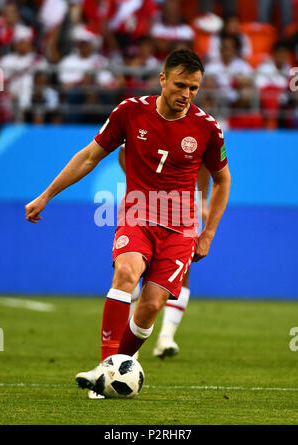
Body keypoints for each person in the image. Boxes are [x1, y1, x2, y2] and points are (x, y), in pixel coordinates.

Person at [25, 48, 231, 399]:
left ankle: (115, 370)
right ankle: (107, 366)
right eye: (180, 85)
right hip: (138, 214)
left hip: (181, 227)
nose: (186, 95)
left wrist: (208, 232)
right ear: (162, 79)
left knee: (150, 305)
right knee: (126, 273)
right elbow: (90, 156)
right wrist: (46, 195)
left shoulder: (207, 129)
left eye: (194, 88)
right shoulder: (130, 111)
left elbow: (223, 180)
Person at [118, 144, 211, 358]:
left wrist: (203, 200)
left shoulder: (199, 126)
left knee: (181, 275)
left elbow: (207, 165)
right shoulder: (141, 115)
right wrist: (142, 183)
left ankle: (166, 336)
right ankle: (129, 339)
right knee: (131, 270)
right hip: (144, 207)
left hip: (180, 209)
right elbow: (123, 152)